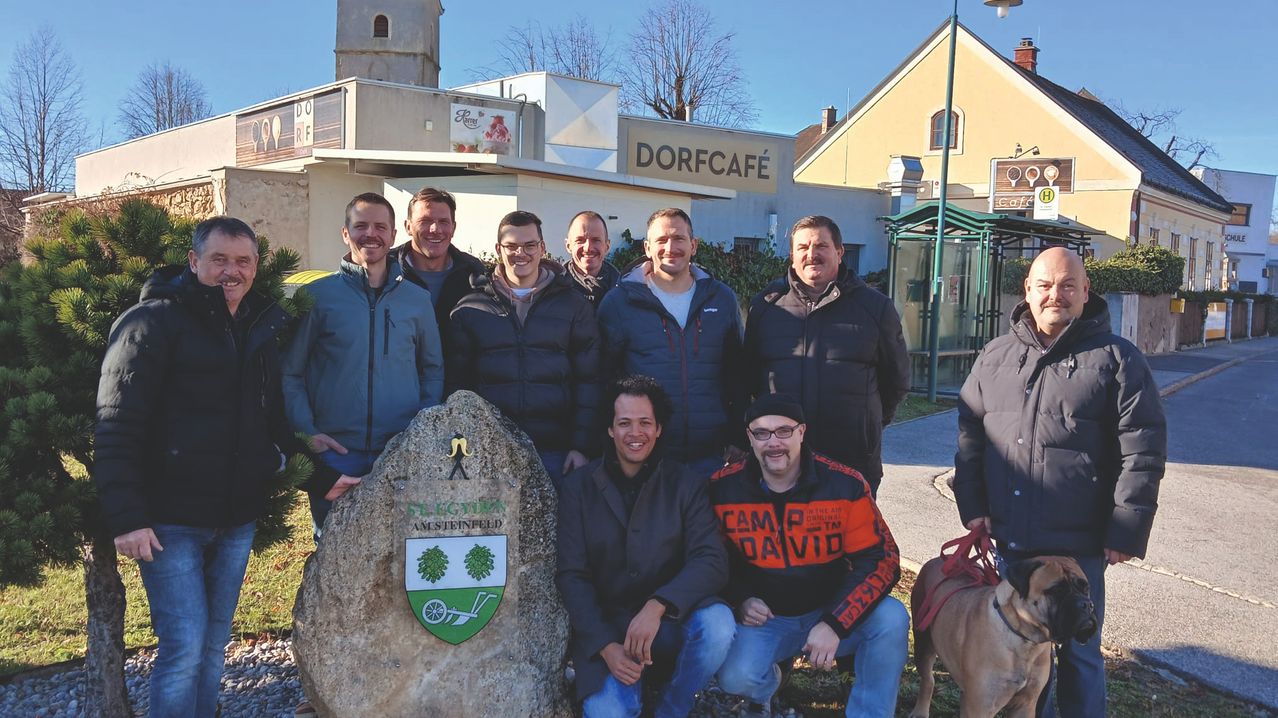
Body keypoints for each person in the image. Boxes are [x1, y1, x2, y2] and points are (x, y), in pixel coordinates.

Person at [94, 217, 299, 717]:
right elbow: (116, 424)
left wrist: (279, 457)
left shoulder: (256, 325)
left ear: (256, 267)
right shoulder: (151, 323)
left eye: (243, 261)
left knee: (212, 645)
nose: (232, 271)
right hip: (169, 522)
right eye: (219, 259)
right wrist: (127, 518)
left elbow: (271, 411)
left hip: (235, 517)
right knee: (183, 648)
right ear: (194, 262)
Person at [953, 246, 1167, 718]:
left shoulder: (1118, 359)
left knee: (1080, 654)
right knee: (1019, 649)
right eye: (1045, 285)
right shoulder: (995, 355)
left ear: (1086, 291)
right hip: (1012, 537)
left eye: (1068, 285)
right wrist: (973, 506)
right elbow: (970, 437)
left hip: (1082, 544)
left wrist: (1125, 530)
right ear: (1027, 290)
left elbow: (1143, 450)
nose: (1057, 294)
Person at [712, 394, 908, 718]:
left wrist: (835, 621)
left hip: (831, 606)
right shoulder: (722, 488)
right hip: (768, 619)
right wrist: (739, 597)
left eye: (784, 431)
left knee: (892, 618)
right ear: (749, 437)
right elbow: (710, 559)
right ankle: (769, 686)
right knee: (736, 677)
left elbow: (881, 559)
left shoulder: (844, 484)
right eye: (762, 433)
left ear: (802, 432)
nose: (773, 442)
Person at [557, 375, 735, 717]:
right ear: (610, 429)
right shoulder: (579, 488)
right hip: (609, 630)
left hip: (670, 622)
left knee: (719, 625)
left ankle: (673, 707)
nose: (634, 433)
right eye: (624, 423)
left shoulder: (686, 483)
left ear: (659, 429)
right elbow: (571, 575)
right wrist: (606, 646)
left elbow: (711, 559)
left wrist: (658, 605)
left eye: (644, 423)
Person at [282, 192, 444, 540]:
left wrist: (420, 430)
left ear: (393, 235)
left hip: (399, 452)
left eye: (379, 226)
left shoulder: (417, 301)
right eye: (360, 226)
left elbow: (431, 370)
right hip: (336, 454)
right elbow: (291, 372)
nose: (370, 234)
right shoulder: (319, 297)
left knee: (399, 554)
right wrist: (308, 432)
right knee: (333, 555)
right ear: (345, 233)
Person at [743, 215, 909, 496]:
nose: (811, 254)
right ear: (792, 254)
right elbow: (746, 377)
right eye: (803, 247)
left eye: (821, 245)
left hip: (852, 458)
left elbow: (896, 380)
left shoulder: (875, 307)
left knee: (853, 540)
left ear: (840, 252)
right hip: (781, 459)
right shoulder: (766, 306)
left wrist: (867, 425)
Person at [446, 210, 599, 488]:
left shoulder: (574, 306)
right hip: (491, 454)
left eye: (530, 245)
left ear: (542, 248)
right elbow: (457, 387)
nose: (521, 253)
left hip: (557, 453)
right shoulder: (470, 308)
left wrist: (581, 447)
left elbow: (589, 381)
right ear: (498, 249)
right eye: (511, 246)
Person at [597, 208, 746, 478]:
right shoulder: (619, 303)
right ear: (647, 247)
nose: (670, 248)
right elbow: (604, 379)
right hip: (645, 456)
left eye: (679, 238)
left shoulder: (721, 299)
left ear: (694, 245)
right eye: (661, 240)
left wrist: (738, 436)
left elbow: (737, 373)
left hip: (712, 456)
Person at [393, 185, 486, 334]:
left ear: (453, 228)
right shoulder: (387, 269)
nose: (435, 229)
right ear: (408, 227)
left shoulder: (474, 273)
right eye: (425, 221)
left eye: (443, 222)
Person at [564, 210, 621, 309]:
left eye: (596, 240)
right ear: (568, 246)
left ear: (607, 246)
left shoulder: (623, 293)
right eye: (580, 240)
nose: (588, 248)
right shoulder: (552, 291)